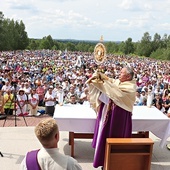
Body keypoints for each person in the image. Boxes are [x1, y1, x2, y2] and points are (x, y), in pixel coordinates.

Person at [86, 66, 136, 168]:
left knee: (116, 137)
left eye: (121, 72)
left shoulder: (130, 87)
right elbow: (111, 82)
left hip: (119, 118)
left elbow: (115, 92)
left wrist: (104, 85)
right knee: (104, 136)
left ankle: (116, 162)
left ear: (128, 76)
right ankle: (104, 161)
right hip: (109, 114)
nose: (119, 73)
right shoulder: (118, 82)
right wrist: (101, 77)